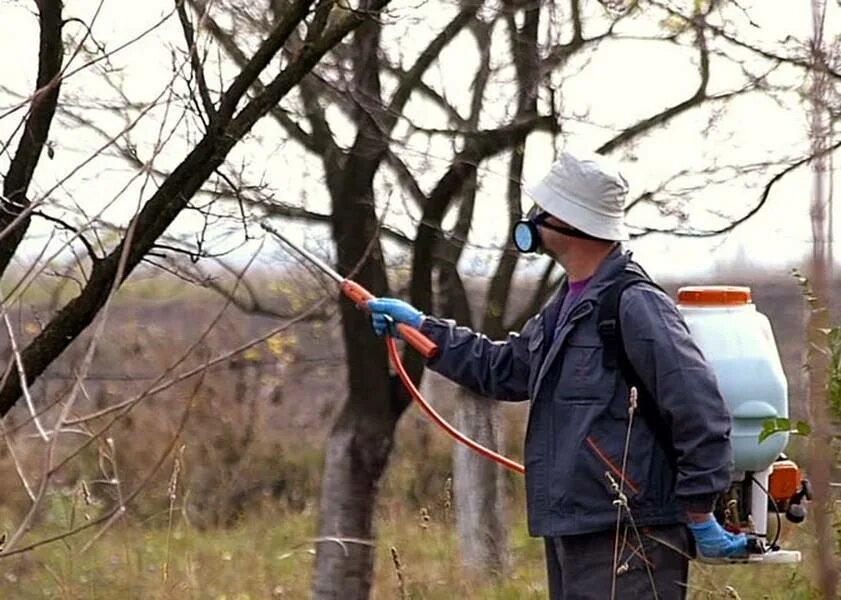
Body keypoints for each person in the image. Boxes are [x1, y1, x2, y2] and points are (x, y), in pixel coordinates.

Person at [366, 150, 747, 599]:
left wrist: (700, 511)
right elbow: (503, 368)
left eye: (542, 210)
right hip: (575, 528)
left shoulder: (634, 304)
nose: (533, 219)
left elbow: (698, 407)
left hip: (631, 536)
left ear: (570, 220)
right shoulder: (565, 306)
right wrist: (422, 327)